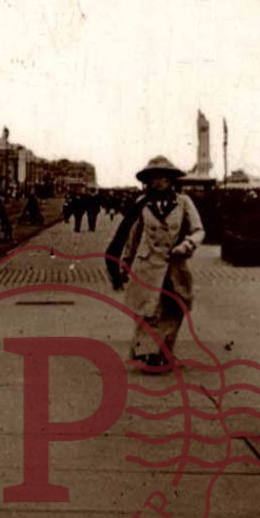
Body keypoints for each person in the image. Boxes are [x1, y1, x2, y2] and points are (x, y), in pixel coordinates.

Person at [105, 156, 204, 373]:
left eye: (162, 177)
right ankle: (146, 354)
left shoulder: (184, 202)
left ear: (171, 180)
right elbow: (133, 236)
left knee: (175, 308)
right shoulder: (142, 204)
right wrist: (126, 263)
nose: (158, 181)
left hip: (175, 265)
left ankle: (163, 352)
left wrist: (187, 245)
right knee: (148, 310)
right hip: (148, 265)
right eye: (153, 177)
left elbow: (198, 230)